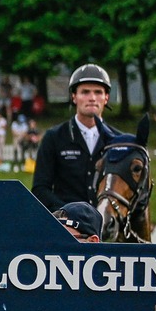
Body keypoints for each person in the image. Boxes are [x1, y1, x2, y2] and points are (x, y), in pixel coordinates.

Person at [32, 65, 126, 211]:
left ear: (106, 98)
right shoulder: (54, 137)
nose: (92, 98)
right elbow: (40, 189)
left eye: (98, 92)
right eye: (85, 92)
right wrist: (68, 213)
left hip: (107, 221)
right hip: (65, 221)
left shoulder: (120, 142)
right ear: (74, 97)